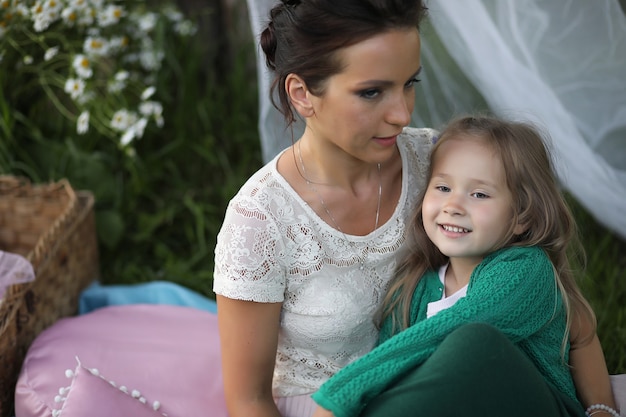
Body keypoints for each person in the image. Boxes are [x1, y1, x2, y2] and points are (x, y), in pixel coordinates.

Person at [213, 1, 616, 417]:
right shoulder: (260, 220)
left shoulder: (441, 165)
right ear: (302, 94)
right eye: (372, 92)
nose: (402, 114)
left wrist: (602, 408)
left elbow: (565, 311)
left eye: (410, 83)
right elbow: (248, 400)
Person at [311, 115, 619, 417]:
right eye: (443, 188)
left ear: (522, 217)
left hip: (530, 404)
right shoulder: (414, 287)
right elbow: (394, 369)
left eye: (479, 194)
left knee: (474, 339)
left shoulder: (525, 269)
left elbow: (579, 332)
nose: (454, 206)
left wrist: (342, 394)